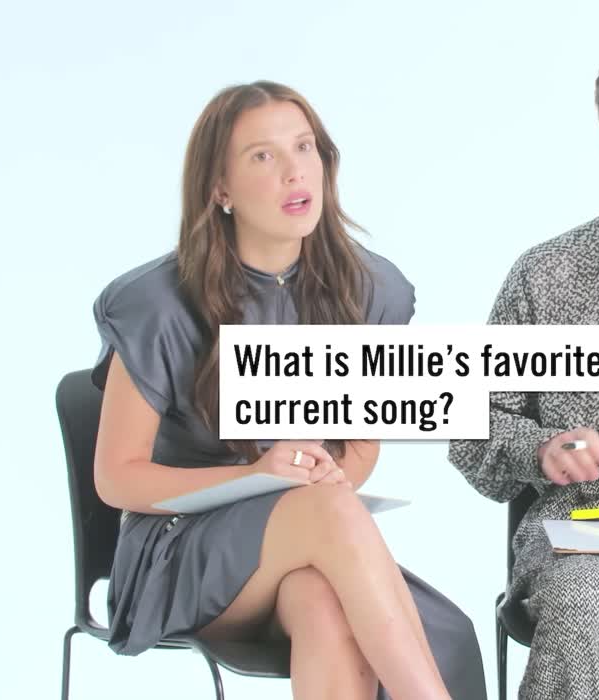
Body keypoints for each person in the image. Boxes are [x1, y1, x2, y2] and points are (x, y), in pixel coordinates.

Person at [92, 80, 485, 699]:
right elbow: (117, 478)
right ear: (220, 189)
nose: (294, 171)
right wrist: (260, 478)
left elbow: (360, 450)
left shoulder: (369, 290)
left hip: (309, 548)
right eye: (262, 156)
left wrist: (322, 475)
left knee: (323, 602)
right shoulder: (158, 303)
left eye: (304, 148)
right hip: (181, 554)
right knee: (328, 510)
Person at [449, 39, 599, 700]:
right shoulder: (548, 275)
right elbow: (471, 424)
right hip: (593, 537)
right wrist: (540, 448)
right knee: (581, 608)